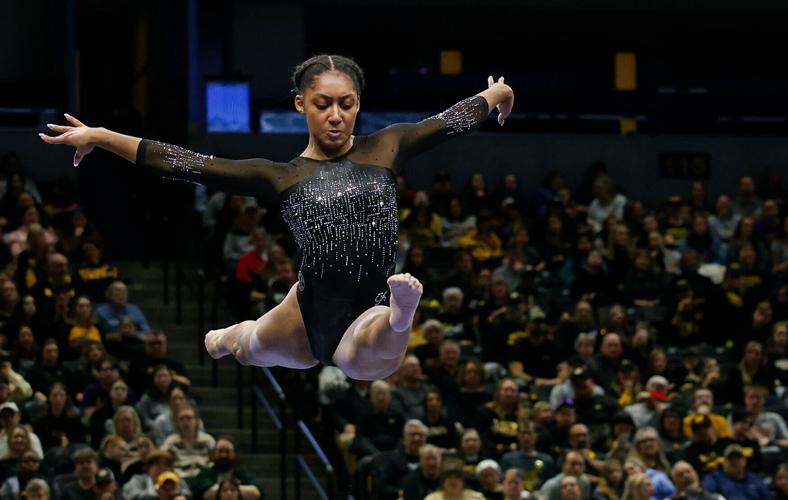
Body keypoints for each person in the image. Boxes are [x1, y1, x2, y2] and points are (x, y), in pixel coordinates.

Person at [41, 54, 514, 380]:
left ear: (358, 105)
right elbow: (186, 163)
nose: (335, 115)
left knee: (373, 358)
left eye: (346, 104)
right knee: (250, 349)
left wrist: (497, 92)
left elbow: (451, 120)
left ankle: (401, 315)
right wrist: (102, 135)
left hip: (370, 306)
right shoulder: (280, 176)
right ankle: (231, 335)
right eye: (323, 103)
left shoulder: (388, 147)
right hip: (306, 311)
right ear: (300, 104)